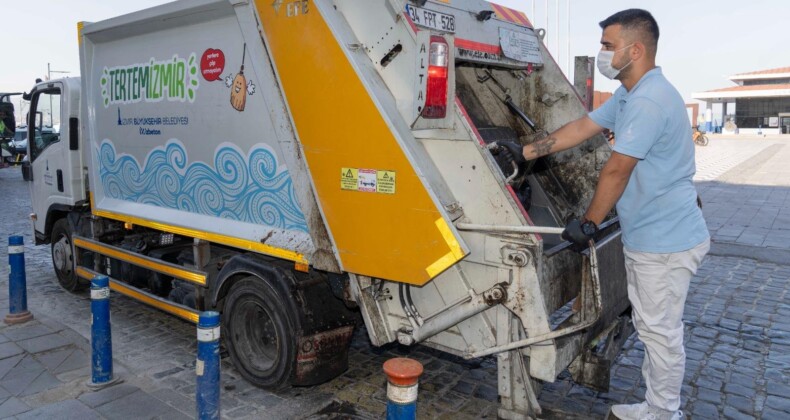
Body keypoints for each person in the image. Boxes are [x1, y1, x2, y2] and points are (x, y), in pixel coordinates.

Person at [495, 8, 709, 420]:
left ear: (636, 49)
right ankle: (656, 407)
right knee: (653, 327)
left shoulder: (649, 100)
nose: (602, 53)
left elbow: (616, 169)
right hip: (655, 234)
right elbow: (581, 128)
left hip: (665, 242)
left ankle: (664, 412)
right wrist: (523, 153)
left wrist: (590, 223)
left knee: (660, 333)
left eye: (608, 46)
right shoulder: (632, 93)